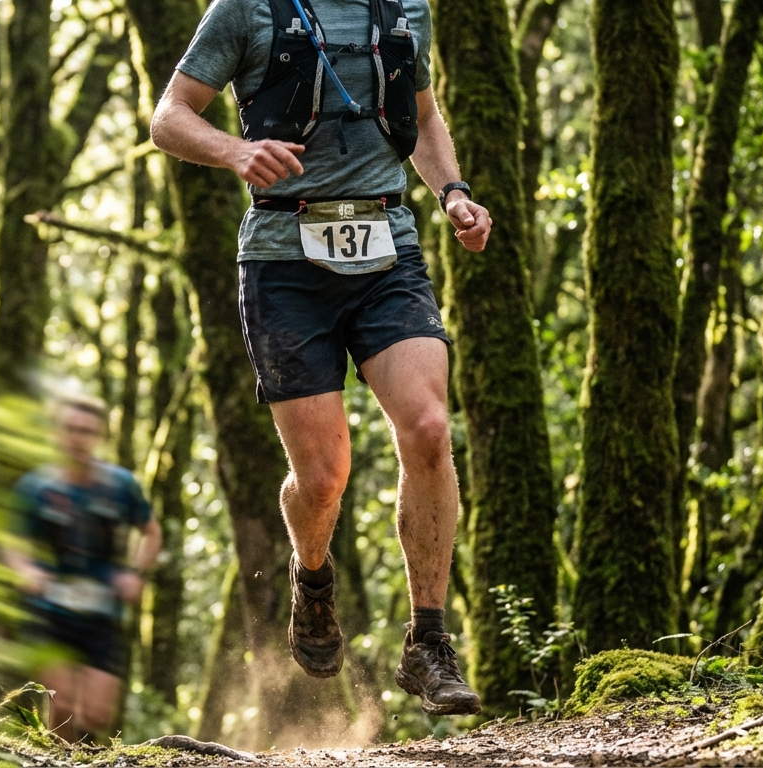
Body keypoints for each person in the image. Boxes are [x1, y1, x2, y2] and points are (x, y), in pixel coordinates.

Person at [150, 0, 492, 716]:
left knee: (428, 429)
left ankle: (427, 641)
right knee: (324, 474)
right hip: (283, 262)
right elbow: (170, 116)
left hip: (387, 248)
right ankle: (313, 578)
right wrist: (237, 151)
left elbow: (423, 117)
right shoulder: (245, 11)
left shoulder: (404, 11)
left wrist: (453, 193)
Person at [6, 393, 163, 741]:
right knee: (62, 710)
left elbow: (151, 533)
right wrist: (26, 572)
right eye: (71, 429)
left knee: (95, 716)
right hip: (49, 611)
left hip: (102, 613)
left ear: (100, 436)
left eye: (88, 431)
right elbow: (12, 545)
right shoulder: (36, 487)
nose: (78, 438)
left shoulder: (120, 485)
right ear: (57, 433)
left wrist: (134, 573)